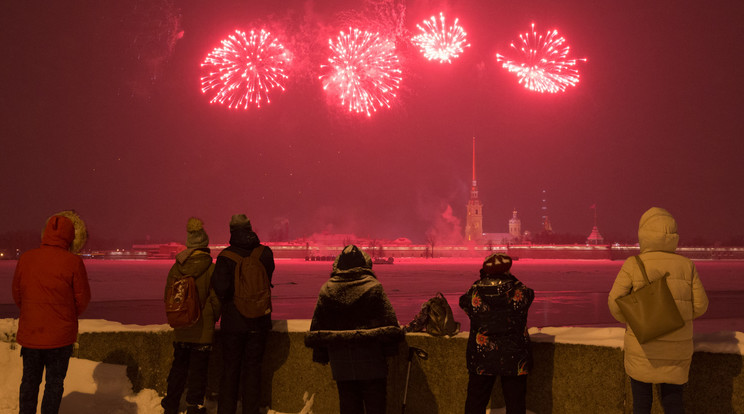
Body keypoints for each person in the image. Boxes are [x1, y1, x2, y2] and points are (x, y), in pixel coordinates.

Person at [608, 207, 708, 414]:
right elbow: (700, 306)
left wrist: (636, 319)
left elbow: (614, 303)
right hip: (677, 349)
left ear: (643, 234)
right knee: (673, 402)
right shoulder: (687, 265)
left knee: (641, 404)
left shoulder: (633, 264)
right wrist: (675, 317)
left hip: (642, 347)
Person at [304, 245, 403, 414]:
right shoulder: (373, 287)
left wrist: (321, 354)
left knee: (348, 404)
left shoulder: (328, 289)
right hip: (372, 360)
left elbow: (319, 326)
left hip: (341, 362)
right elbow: (388, 323)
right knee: (375, 406)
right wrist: (390, 351)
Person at [12, 211, 91, 414]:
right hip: (60, 338)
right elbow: (82, 300)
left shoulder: (27, 258)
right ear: (71, 236)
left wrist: (32, 312)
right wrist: (65, 316)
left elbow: (17, 295)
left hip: (31, 335)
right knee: (53, 385)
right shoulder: (73, 262)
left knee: (29, 383)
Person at [213, 214, 275, 414]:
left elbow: (220, 289)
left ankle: (226, 410)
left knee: (230, 369)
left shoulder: (225, 257)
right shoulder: (265, 253)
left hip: (233, 323)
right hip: (259, 321)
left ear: (231, 231)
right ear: (250, 228)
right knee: (253, 369)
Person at [459, 254, 534, 414]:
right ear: (508, 269)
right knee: (515, 402)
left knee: (476, 401)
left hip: (482, 356)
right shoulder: (519, 291)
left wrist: (480, 282)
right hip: (514, 356)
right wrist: (512, 279)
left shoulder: (474, 293)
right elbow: (530, 295)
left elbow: (463, 303)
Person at [161, 218, 221, 414]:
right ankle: (194, 405)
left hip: (181, 325)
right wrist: (212, 316)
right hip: (202, 328)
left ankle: (171, 403)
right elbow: (216, 299)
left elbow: (167, 296)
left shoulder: (176, 267)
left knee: (179, 366)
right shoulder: (211, 269)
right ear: (205, 245)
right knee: (198, 369)